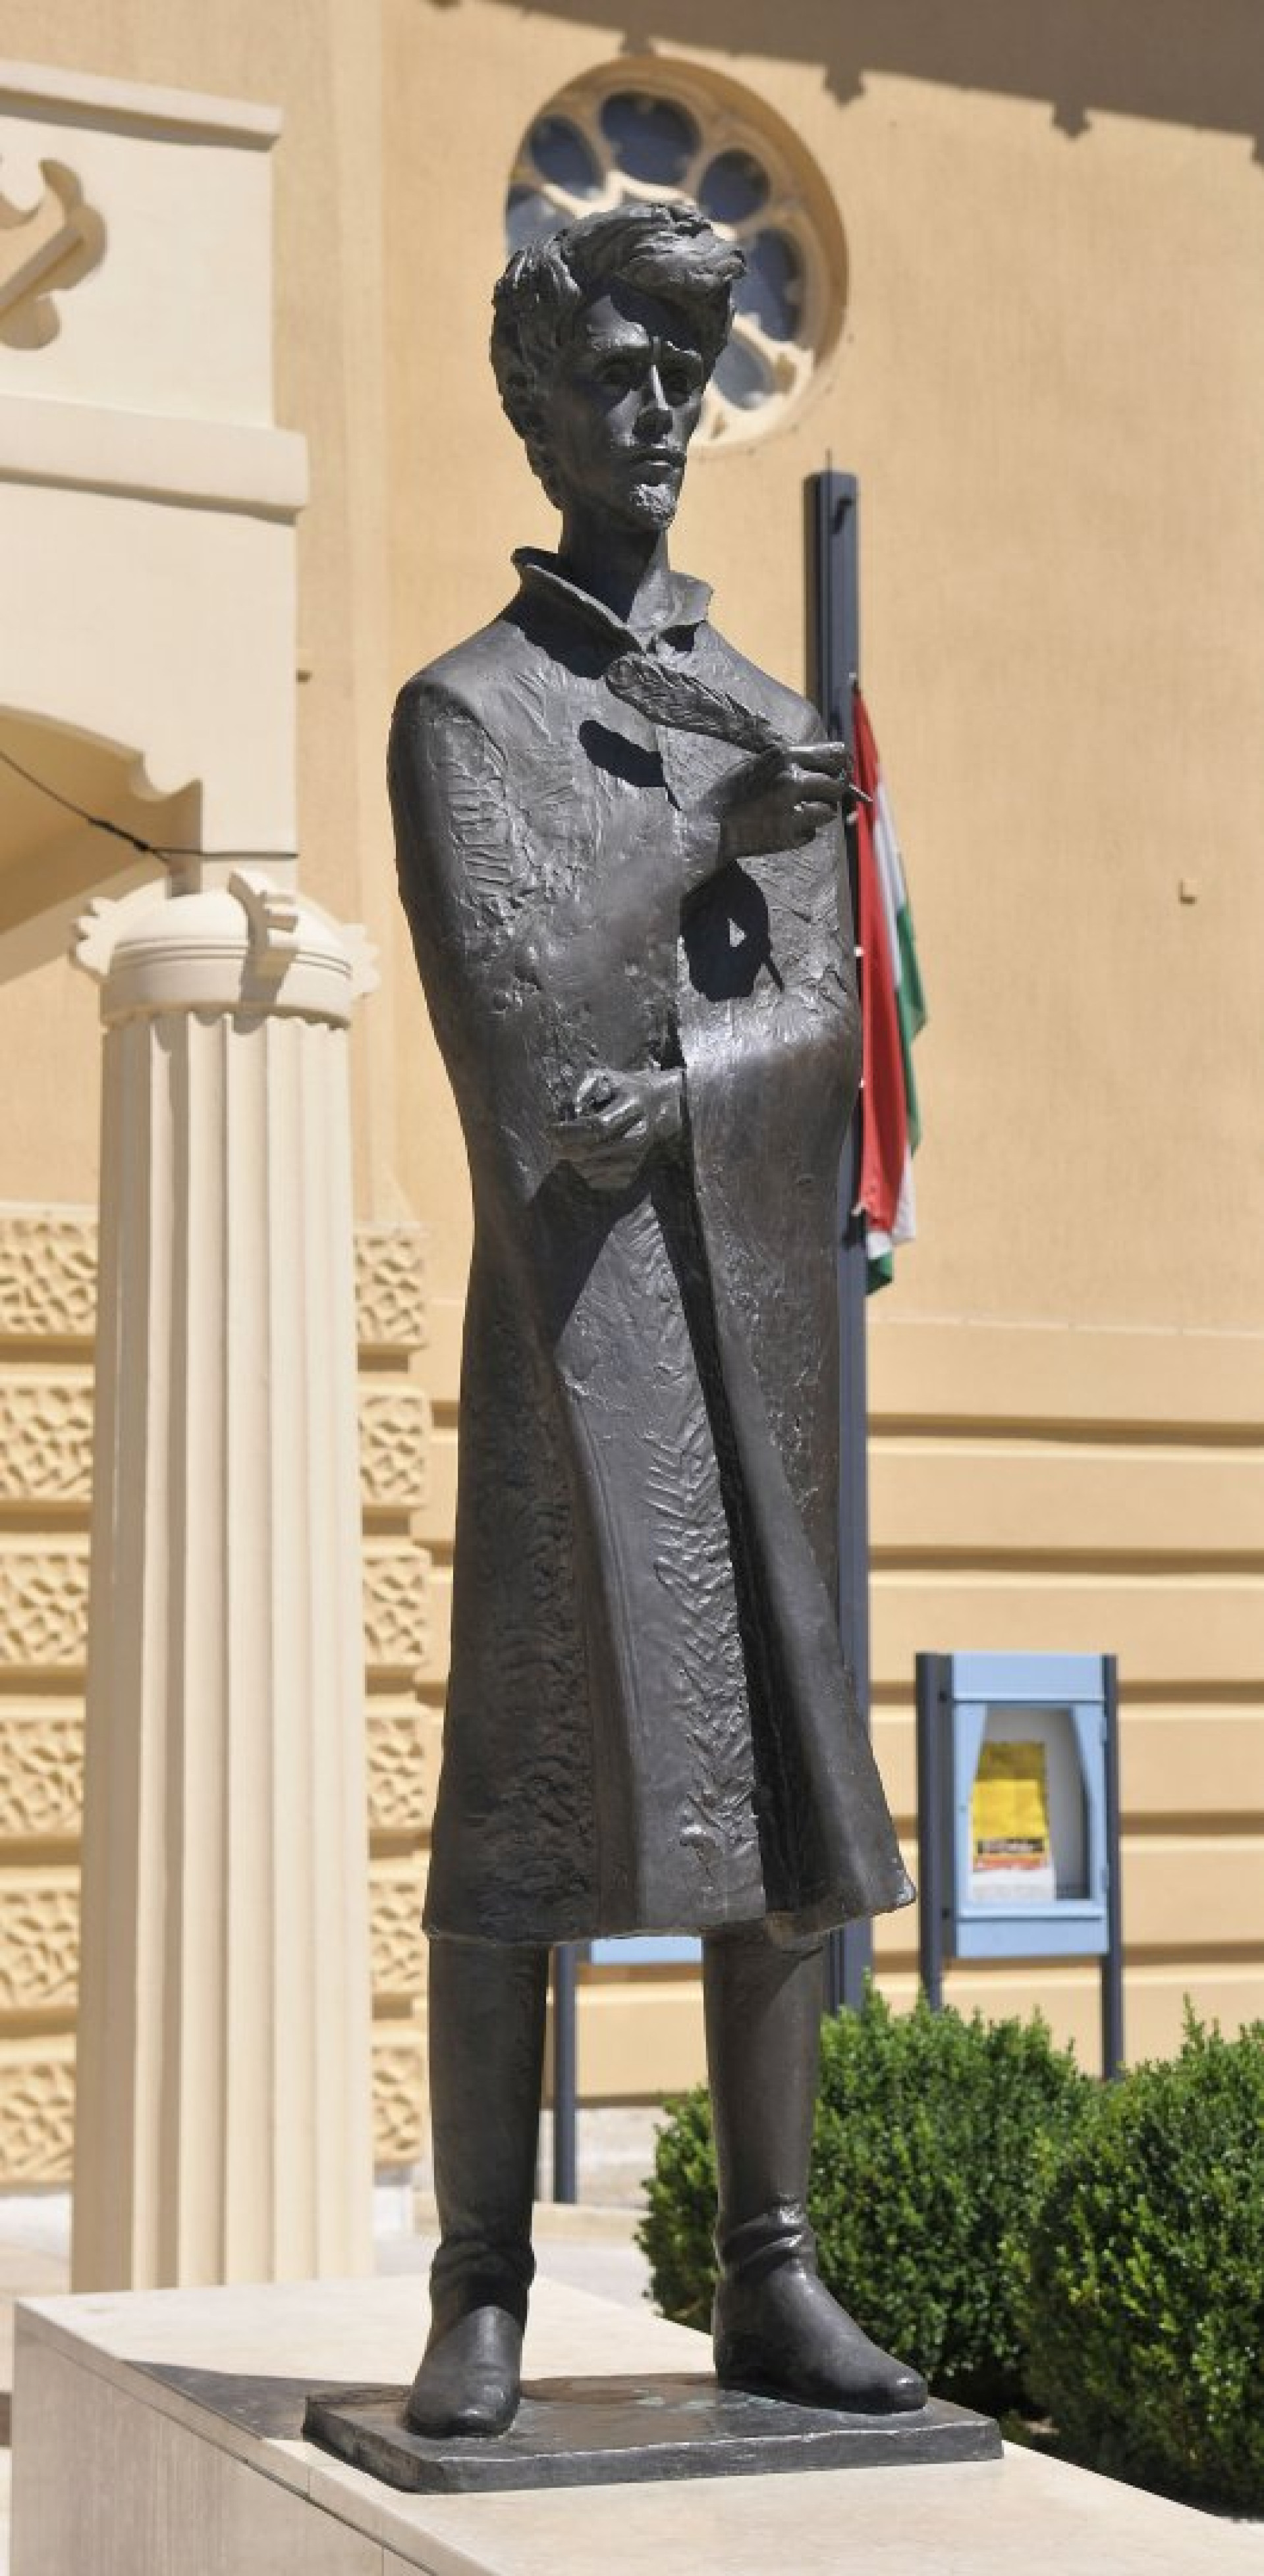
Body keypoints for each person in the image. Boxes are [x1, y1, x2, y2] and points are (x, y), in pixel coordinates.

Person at [389, 201, 922, 2440]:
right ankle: (480, 2282)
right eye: (615, 372)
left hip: (748, 1330)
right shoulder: (468, 716)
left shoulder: (767, 715)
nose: (659, 411)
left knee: (781, 1794)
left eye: (684, 374)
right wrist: (703, 831)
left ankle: (770, 2273)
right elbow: (513, 1015)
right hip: (572, 1324)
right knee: (523, 1798)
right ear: (534, 404)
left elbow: (832, 1024)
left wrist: (695, 1086)